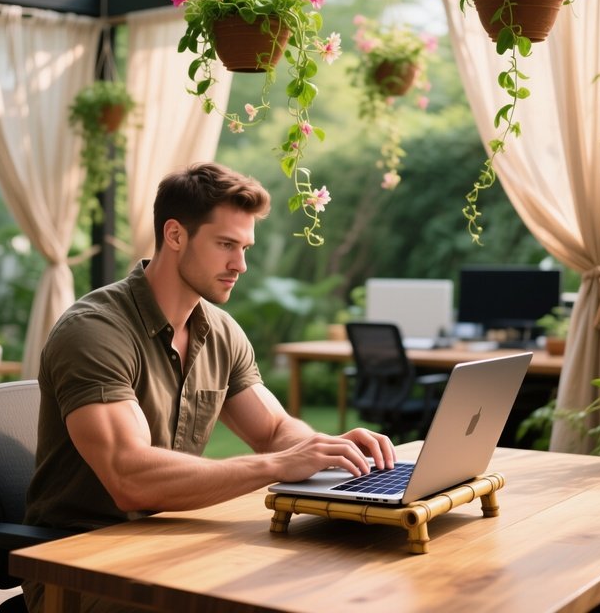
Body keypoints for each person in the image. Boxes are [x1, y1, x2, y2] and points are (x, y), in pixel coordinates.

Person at [23, 162, 394, 612]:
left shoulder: (219, 331)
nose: (240, 264)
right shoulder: (94, 332)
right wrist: (278, 465)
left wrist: (323, 448)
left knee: (337, 581)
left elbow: (275, 429)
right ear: (175, 235)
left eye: (245, 247)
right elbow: (129, 476)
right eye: (226, 245)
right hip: (83, 569)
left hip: (173, 544)